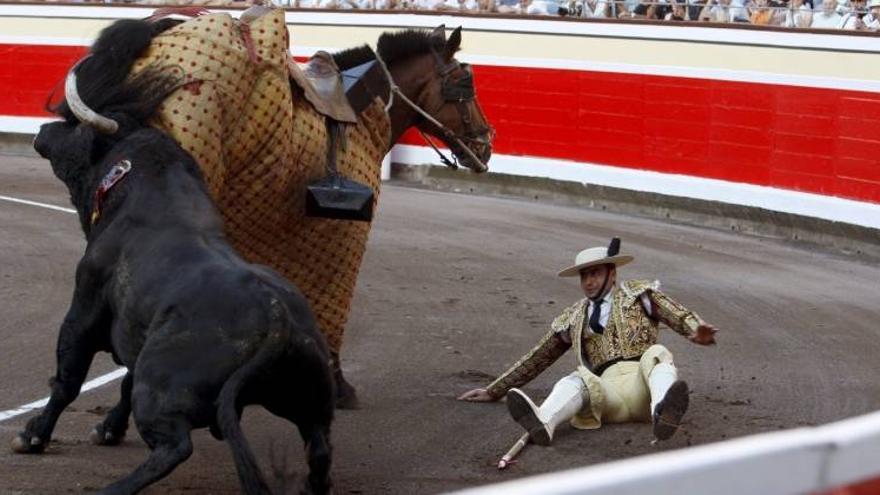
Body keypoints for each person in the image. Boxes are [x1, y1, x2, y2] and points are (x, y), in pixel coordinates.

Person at [458, 238, 718, 445]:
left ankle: (662, 411)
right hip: (607, 395)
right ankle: (545, 421)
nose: (589, 282)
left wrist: (696, 330)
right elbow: (539, 356)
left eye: (595, 273)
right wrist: (495, 390)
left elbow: (678, 314)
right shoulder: (574, 316)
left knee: (658, 353)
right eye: (584, 276)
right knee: (579, 377)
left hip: (644, 385)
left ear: (612, 274)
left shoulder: (639, 294)